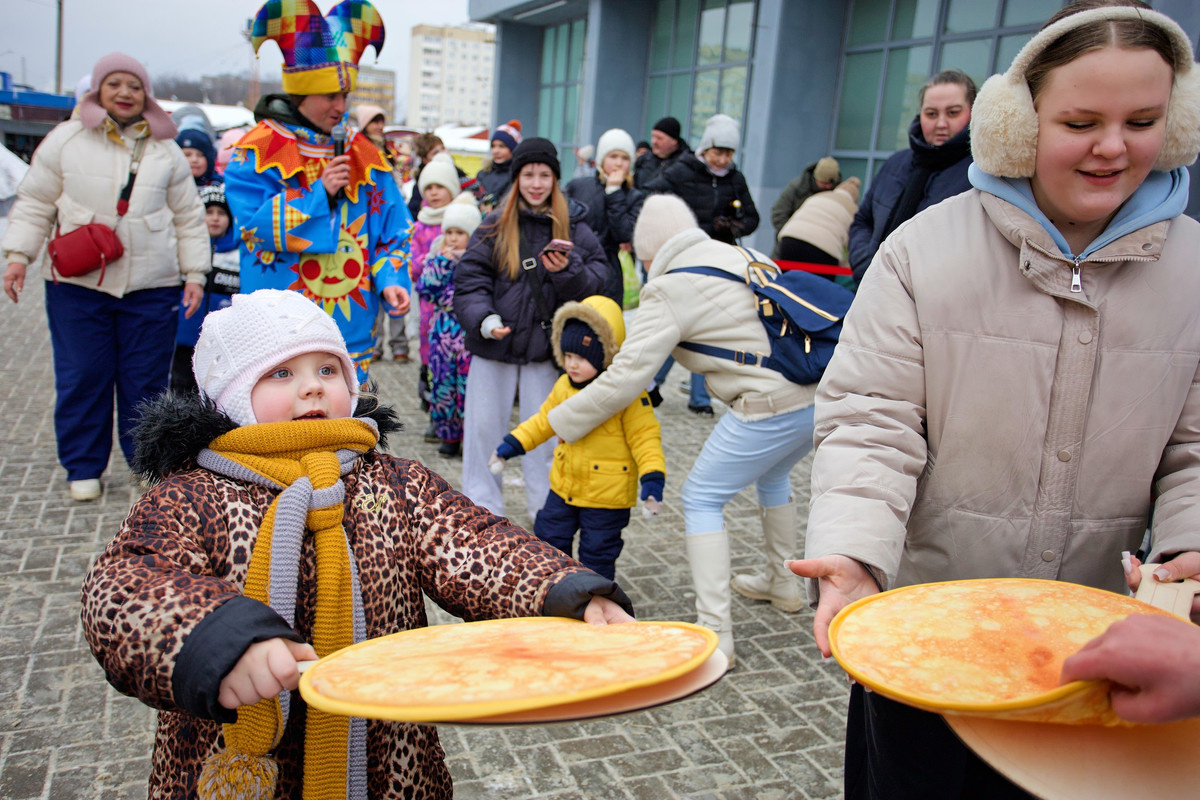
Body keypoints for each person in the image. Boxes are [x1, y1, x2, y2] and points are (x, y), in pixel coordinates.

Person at [789, 2, 1200, 796]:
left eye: (1144, 119)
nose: (1114, 147)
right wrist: (853, 554)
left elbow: (1196, 449)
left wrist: (1189, 552)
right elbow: (872, 424)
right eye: (1081, 121)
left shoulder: (1196, 270)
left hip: (1101, 659)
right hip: (930, 651)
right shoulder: (921, 251)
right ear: (1016, 122)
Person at [79, 288, 635, 799]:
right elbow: (124, 586)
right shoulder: (193, 495)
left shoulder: (391, 481)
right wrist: (215, 641)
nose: (313, 385)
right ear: (229, 400)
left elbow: (477, 542)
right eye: (280, 374)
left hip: (388, 757)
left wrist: (567, 590)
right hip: (234, 761)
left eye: (327, 368)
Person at [544, 195, 819, 666]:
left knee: (701, 498)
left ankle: (717, 635)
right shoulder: (744, 255)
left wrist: (559, 420)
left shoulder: (669, 286)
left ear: (649, 253)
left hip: (767, 405)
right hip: (814, 396)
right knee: (773, 477)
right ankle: (783, 584)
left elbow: (627, 377)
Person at [1, 52, 209, 502]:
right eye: (114, 84)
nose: (125, 93)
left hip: (152, 287)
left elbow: (189, 217)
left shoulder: (164, 148)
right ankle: (82, 465)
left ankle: (146, 464)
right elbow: (36, 200)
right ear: (99, 90)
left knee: (145, 380)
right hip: (77, 285)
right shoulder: (66, 139)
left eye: (134, 85)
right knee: (83, 374)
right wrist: (18, 255)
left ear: (145, 94)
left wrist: (195, 273)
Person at [225, 0, 411, 385]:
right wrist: (319, 195)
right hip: (280, 330)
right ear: (301, 94)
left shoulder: (365, 152)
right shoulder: (258, 151)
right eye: (330, 96)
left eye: (345, 95)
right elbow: (254, 228)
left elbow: (393, 227)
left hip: (348, 332)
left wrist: (391, 278)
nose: (341, 107)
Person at [453, 137, 609, 522]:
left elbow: (600, 282)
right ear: (517, 177)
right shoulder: (494, 223)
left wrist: (566, 272)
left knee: (547, 437)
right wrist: (485, 320)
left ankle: (547, 516)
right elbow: (470, 279)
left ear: (555, 179)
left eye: (544, 175)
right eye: (528, 174)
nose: (536, 183)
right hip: (495, 346)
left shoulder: (576, 225)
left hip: (547, 352)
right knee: (483, 435)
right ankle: (482, 515)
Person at [492, 295, 666, 580]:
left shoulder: (628, 395)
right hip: (565, 484)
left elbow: (645, 438)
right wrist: (513, 444)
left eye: (582, 358)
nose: (572, 365)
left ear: (605, 355)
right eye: (568, 356)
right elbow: (544, 420)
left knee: (598, 553)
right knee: (549, 537)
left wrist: (652, 479)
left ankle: (595, 601)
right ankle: (554, 589)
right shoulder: (564, 385)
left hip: (606, 497)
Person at [847, 68, 976, 285]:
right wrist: (868, 267)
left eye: (953, 112)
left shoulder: (980, 175)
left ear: (973, 112)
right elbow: (862, 221)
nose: (941, 123)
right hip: (869, 293)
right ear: (920, 115)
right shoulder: (895, 163)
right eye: (931, 114)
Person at [415, 194, 481, 457]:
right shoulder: (437, 259)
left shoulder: (477, 261)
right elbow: (426, 288)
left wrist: (451, 298)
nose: (453, 238)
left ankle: (468, 434)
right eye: (449, 232)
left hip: (466, 333)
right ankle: (448, 435)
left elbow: (474, 292)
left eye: (460, 233)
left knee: (467, 385)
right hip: (442, 335)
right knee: (443, 384)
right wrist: (442, 262)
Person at [644, 113, 760, 245]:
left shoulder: (735, 178)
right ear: (705, 149)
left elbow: (752, 218)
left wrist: (732, 228)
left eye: (729, 154)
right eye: (717, 153)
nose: (722, 160)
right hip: (685, 246)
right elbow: (647, 195)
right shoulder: (682, 170)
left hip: (720, 248)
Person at [171, 182, 241, 395]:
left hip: (220, 342)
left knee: (215, 392)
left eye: (221, 213)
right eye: (208, 212)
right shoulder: (184, 248)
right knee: (181, 389)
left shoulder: (236, 254)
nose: (215, 217)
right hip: (184, 338)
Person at [565, 128, 647, 307]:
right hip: (575, 264)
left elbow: (624, 233)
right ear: (602, 159)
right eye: (613, 156)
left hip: (609, 272)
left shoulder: (634, 197)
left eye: (625, 158)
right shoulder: (578, 186)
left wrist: (614, 192)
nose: (618, 163)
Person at [356, 103, 412, 364]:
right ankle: (374, 344)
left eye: (381, 121)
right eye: (373, 122)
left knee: (394, 288)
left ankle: (398, 345)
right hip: (360, 239)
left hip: (386, 229)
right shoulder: (355, 152)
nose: (379, 127)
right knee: (368, 298)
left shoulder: (386, 153)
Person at [775, 177, 862, 290]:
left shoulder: (817, 196)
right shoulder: (854, 210)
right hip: (823, 249)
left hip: (789, 239)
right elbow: (852, 244)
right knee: (817, 294)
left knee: (785, 287)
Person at [769, 156, 841, 256]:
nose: (827, 187)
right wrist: (794, 236)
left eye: (830, 184)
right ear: (816, 178)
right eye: (824, 183)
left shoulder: (838, 195)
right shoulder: (796, 188)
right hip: (788, 249)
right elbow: (778, 214)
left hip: (821, 251)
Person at [475, 119, 522, 213]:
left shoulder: (517, 175)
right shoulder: (483, 174)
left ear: (514, 149)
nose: (496, 151)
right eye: (493, 146)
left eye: (502, 146)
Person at [634, 116, 690, 189]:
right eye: (653, 136)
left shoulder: (686, 165)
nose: (653, 141)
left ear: (674, 141)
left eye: (659, 138)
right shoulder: (643, 160)